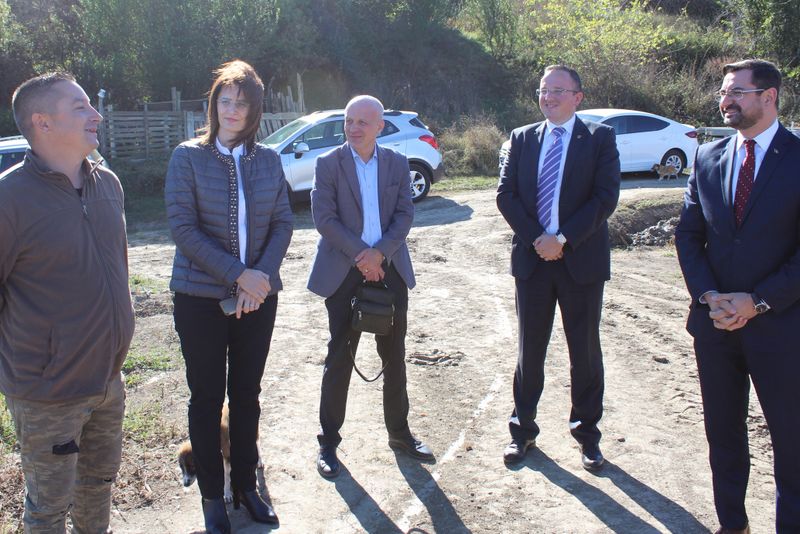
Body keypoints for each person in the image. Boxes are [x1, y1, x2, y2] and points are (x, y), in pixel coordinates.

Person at [0, 72, 134, 533]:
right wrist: (39, 362)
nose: (96, 114)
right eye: (80, 107)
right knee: (49, 508)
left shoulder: (108, 184)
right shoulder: (9, 199)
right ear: (43, 122)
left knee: (98, 488)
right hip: (48, 394)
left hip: (107, 380)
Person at [165, 59, 292, 533]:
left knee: (246, 394)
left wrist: (260, 279)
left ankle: (246, 487)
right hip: (199, 298)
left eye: (241, 102)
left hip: (258, 298)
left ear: (255, 109)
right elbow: (183, 229)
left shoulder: (269, 160)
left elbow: (283, 222)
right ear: (213, 104)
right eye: (225, 99)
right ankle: (212, 498)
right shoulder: (187, 157)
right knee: (205, 396)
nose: (232, 109)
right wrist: (240, 275)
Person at [675, 59, 800, 534]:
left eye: (737, 93)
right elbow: (689, 236)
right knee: (723, 436)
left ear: (769, 97)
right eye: (723, 93)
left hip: (783, 328)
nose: (726, 101)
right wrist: (710, 295)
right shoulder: (708, 157)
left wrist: (758, 301)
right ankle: (733, 524)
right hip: (717, 326)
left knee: (791, 442)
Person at [497, 65, 620, 470]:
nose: (548, 97)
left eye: (557, 91)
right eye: (543, 90)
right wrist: (539, 239)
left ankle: (587, 435)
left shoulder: (599, 138)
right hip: (532, 262)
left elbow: (604, 198)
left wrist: (562, 239)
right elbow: (505, 195)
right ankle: (522, 431)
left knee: (584, 352)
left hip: (581, 261)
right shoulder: (522, 137)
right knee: (529, 351)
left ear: (578, 97)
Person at [308, 95, 433, 479]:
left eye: (363, 122)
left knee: (394, 355)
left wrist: (379, 254)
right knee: (339, 356)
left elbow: (405, 214)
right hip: (343, 272)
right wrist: (362, 256)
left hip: (390, 268)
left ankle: (400, 434)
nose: (354, 127)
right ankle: (328, 442)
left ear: (380, 126)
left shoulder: (396, 162)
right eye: (349, 120)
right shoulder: (328, 164)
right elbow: (324, 219)